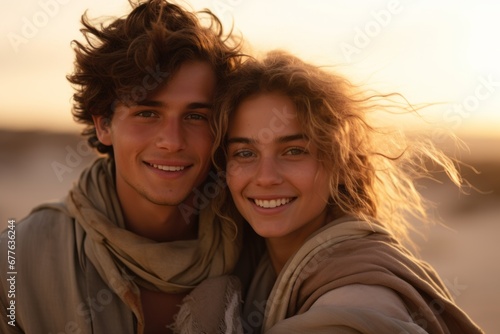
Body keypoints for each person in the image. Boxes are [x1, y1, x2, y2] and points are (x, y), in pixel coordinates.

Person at [0, 1, 246, 333]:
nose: (171, 141)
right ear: (103, 124)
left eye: (195, 116)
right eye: (147, 113)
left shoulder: (262, 243)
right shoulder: (15, 258)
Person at [212, 51, 484, 333]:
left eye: (294, 151)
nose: (266, 177)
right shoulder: (256, 267)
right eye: (245, 153)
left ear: (339, 163)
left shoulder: (356, 304)